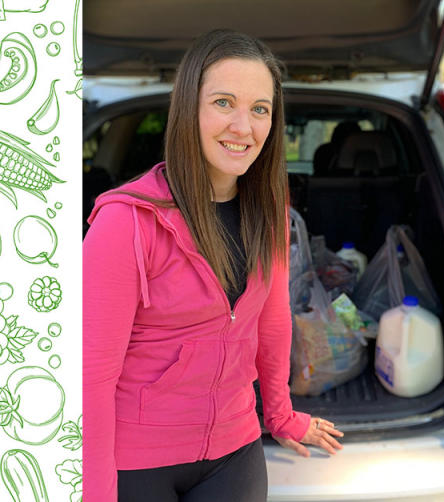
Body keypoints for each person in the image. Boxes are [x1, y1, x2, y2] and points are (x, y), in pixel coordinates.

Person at [83, 29, 344, 501]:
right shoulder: (126, 221)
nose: (243, 127)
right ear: (188, 109)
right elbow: (92, 375)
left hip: (234, 447)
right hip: (138, 457)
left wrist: (280, 415)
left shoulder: (269, 211)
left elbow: (272, 321)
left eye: (260, 109)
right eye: (224, 102)